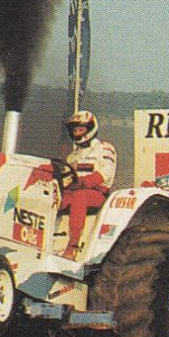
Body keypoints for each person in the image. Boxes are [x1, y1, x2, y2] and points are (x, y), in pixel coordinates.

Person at [57, 111, 117, 260]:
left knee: (80, 196)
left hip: (97, 193)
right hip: (74, 191)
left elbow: (106, 173)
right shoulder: (73, 156)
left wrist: (83, 182)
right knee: (54, 198)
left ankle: (73, 245)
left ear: (90, 128)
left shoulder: (104, 148)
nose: (77, 133)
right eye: (75, 130)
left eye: (81, 130)